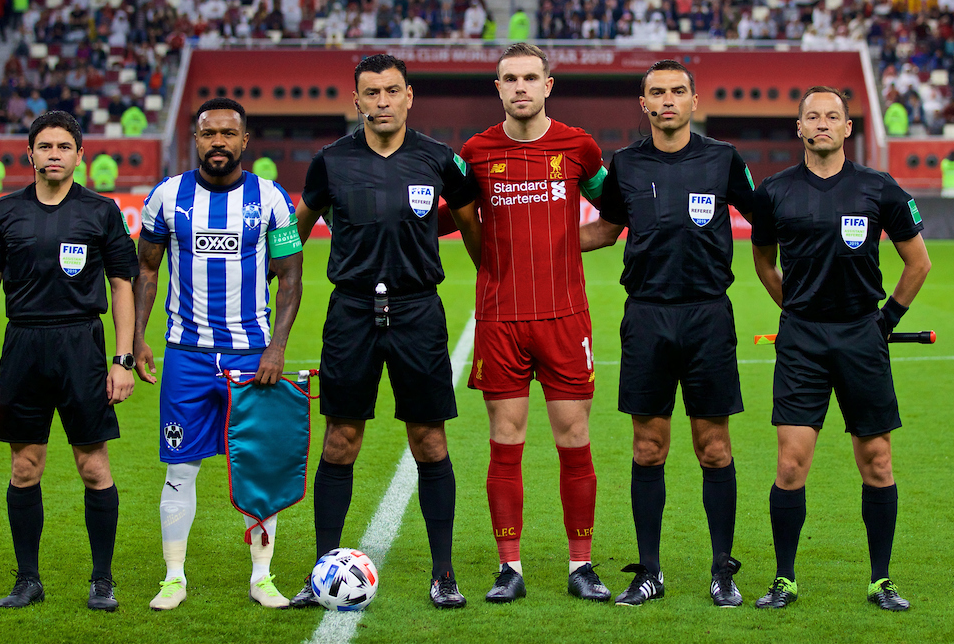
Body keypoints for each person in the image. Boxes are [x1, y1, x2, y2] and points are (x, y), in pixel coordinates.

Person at [289, 54, 481, 609]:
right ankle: (322, 570)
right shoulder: (329, 162)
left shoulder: (439, 160)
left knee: (429, 440)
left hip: (418, 312)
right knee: (340, 440)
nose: (381, 101)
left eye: (390, 91)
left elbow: (472, 230)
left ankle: (443, 573)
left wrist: (493, 292)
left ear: (408, 96)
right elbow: (295, 237)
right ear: (356, 100)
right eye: (370, 93)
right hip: (350, 313)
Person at [579, 60, 754, 607]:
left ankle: (722, 572)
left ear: (693, 101)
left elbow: (769, 219)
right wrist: (535, 239)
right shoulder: (625, 164)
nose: (669, 100)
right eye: (658, 92)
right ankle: (649, 572)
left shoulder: (723, 159)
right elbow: (606, 230)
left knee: (715, 449)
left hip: (707, 316)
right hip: (648, 316)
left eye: (679, 91)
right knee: (648, 447)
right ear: (645, 104)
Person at [750, 86, 931, 611]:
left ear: (848, 128)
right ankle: (784, 579)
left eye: (833, 116)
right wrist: (795, 309)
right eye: (813, 116)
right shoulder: (774, 191)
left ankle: (881, 580)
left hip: (861, 337)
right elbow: (763, 262)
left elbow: (918, 262)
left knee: (877, 460)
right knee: (791, 465)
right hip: (802, 340)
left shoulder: (880, 188)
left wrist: (885, 322)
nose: (822, 123)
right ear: (800, 128)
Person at [0, 110, 139, 611]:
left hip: (82, 347)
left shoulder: (102, 211)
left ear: (80, 155)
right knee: (24, 466)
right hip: (23, 346)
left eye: (64, 146)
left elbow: (122, 287)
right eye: (46, 146)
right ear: (30, 154)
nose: (54, 154)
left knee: (93, 466)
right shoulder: (4, 211)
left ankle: (102, 580)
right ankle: (28, 579)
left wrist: (122, 359)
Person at [134, 98, 304, 611]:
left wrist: (276, 347)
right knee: (179, 466)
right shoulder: (167, 195)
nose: (219, 143)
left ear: (244, 141)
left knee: (257, 468)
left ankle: (261, 576)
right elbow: (146, 269)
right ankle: (173, 578)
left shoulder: (272, 198)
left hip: (251, 355)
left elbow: (292, 277)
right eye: (209, 134)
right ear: (196, 138)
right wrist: (137, 338)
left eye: (229, 134)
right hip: (185, 354)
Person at [460, 43, 611, 603]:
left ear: (549, 85)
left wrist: (562, 244)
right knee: (506, 440)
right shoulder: (475, 153)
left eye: (530, 77)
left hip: (565, 318)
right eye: (509, 78)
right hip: (501, 318)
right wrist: (495, 262)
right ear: (497, 88)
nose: (520, 87)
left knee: (575, 439)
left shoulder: (579, 147)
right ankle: (509, 568)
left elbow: (612, 214)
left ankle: (581, 564)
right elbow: (462, 221)